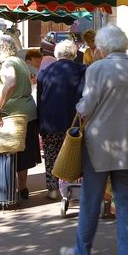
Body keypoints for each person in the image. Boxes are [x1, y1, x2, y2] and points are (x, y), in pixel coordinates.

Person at [60, 25, 128, 255]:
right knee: (126, 202)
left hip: (99, 144)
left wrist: (78, 105)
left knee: (91, 198)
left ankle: (81, 252)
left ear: (103, 47)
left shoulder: (97, 69)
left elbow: (86, 106)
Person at [0, 35, 41, 201]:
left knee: (11, 152)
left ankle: (9, 189)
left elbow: (11, 83)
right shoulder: (20, 62)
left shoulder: (8, 63)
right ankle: (22, 187)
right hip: (27, 112)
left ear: (0, 49)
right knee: (24, 153)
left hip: (13, 115)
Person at [37, 39, 86, 199]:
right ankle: (74, 188)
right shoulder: (81, 70)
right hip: (74, 121)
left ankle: (53, 190)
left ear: (56, 54)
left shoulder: (45, 72)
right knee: (75, 155)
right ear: (73, 54)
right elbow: (83, 95)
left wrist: (40, 124)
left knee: (52, 154)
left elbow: (40, 100)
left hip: (50, 121)